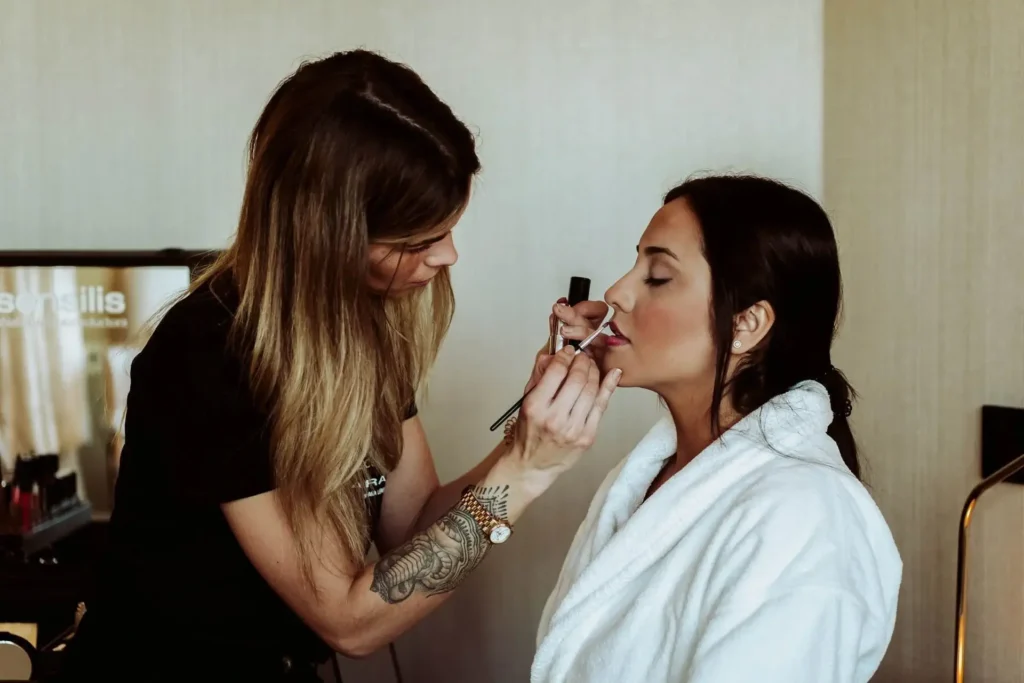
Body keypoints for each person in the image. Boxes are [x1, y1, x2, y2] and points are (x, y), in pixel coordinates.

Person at [57, 50, 620, 682]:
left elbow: (411, 527)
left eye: (449, 229)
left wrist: (528, 437)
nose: (449, 256)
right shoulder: (214, 354)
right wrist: (525, 474)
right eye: (419, 241)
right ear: (327, 233)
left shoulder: (359, 329)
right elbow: (350, 620)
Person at [532, 174, 902, 683]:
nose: (616, 292)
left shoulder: (805, 516)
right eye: (634, 263)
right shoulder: (655, 473)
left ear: (747, 324)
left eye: (657, 276)